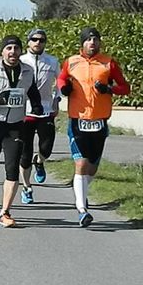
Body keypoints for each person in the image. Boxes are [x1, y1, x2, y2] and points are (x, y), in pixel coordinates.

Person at [57, 27, 130, 227]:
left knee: (92, 167)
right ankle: (82, 210)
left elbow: (125, 87)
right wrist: (64, 87)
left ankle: (81, 190)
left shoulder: (108, 63)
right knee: (80, 164)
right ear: (82, 43)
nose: (92, 43)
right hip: (78, 120)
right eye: (88, 40)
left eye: (96, 40)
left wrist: (109, 89)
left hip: (99, 121)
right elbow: (61, 78)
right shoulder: (71, 62)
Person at [0, 35, 44, 228]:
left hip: (15, 125)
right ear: (2, 51)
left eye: (16, 48)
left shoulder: (28, 71)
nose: (13, 52)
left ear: (21, 51)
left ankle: (4, 212)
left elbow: (32, 92)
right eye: (9, 48)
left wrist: (37, 106)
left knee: (12, 169)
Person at [18, 28, 61, 204]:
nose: (38, 43)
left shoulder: (52, 61)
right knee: (25, 153)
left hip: (46, 110)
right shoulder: (20, 61)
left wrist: (57, 99)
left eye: (41, 40)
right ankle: (27, 187)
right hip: (25, 111)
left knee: (46, 148)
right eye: (34, 39)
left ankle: (40, 161)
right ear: (28, 42)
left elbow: (61, 81)